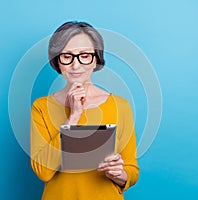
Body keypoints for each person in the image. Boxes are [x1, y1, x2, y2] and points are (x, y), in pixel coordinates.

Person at [30, 21, 139, 200]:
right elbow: (43, 172)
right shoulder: (41, 107)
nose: (76, 65)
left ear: (96, 59)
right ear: (58, 61)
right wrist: (73, 117)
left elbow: (132, 170)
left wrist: (119, 174)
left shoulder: (120, 106)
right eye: (67, 56)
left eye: (85, 55)